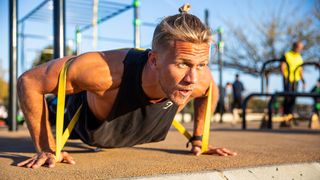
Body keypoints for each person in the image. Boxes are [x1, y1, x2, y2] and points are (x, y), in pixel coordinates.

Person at [16, 5, 237, 169]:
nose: (193, 78)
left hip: (118, 130)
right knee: (54, 105)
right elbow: (29, 81)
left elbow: (210, 90)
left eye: (201, 65)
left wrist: (200, 139)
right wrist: (46, 146)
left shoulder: (198, 78)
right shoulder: (106, 71)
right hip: (73, 118)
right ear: (153, 60)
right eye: (182, 64)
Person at [280, 41, 305, 127]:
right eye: (299, 47)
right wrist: (284, 77)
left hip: (296, 80)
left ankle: (290, 117)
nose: (300, 49)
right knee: (287, 98)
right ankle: (285, 118)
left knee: (293, 99)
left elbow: (301, 69)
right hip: (288, 79)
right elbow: (282, 66)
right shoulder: (287, 55)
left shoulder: (300, 57)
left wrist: (303, 80)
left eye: (301, 48)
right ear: (295, 47)